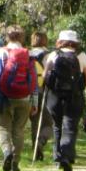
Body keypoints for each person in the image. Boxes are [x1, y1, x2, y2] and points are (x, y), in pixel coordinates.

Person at [0, 26, 39, 171]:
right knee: (19, 130)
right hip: (25, 97)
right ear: (22, 38)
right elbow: (33, 79)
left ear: (7, 37)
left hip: (5, 97)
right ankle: (15, 163)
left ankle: (7, 152)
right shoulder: (29, 54)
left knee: (3, 127)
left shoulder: (1, 52)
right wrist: (35, 102)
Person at [43, 29, 86, 171]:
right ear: (76, 42)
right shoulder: (81, 56)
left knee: (57, 126)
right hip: (74, 96)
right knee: (70, 127)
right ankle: (66, 156)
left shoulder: (53, 55)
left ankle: (58, 158)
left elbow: (45, 76)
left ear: (60, 41)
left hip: (55, 97)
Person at [27, 29, 53, 162]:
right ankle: (41, 142)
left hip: (28, 90)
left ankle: (35, 148)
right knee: (49, 123)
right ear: (45, 40)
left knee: (34, 121)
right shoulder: (48, 55)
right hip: (43, 90)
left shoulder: (27, 53)